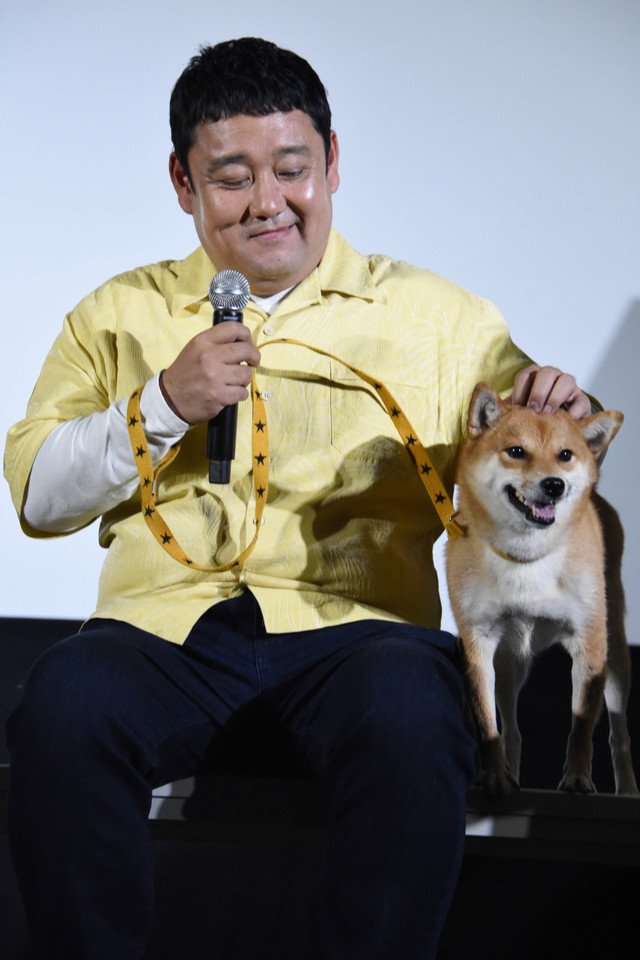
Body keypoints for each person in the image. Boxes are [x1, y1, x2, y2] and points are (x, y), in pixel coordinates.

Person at [4, 37, 592, 960]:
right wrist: (163, 405)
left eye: (291, 168)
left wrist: (553, 422)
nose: (268, 202)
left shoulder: (441, 319)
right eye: (232, 177)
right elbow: (39, 496)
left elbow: (528, 499)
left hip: (357, 638)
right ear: (183, 182)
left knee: (413, 709)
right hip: (163, 638)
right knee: (64, 705)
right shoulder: (115, 314)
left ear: (333, 161)